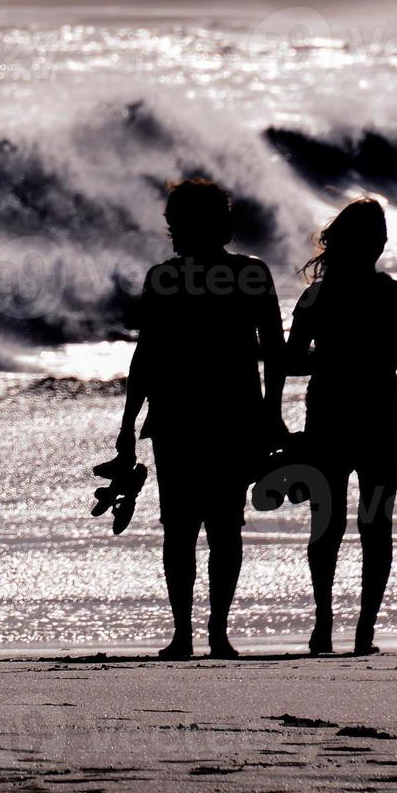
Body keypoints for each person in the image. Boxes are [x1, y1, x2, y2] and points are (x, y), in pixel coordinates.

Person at [116, 179, 286, 660]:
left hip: (177, 416)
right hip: (234, 415)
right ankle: (216, 633)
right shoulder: (251, 274)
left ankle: (184, 634)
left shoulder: (164, 278)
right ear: (223, 222)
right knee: (225, 526)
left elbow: (146, 355)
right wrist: (272, 413)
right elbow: (273, 352)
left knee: (180, 528)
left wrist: (129, 422)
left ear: (177, 226)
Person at [287, 198, 397, 656]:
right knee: (375, 523)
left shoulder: (316, 296)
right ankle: (364, 632)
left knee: (325, 524)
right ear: (380, 245)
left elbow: (290, 363)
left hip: (328, 418)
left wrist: (330, 356)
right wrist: (377, 349)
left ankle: (323, 625)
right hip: (381, 419)